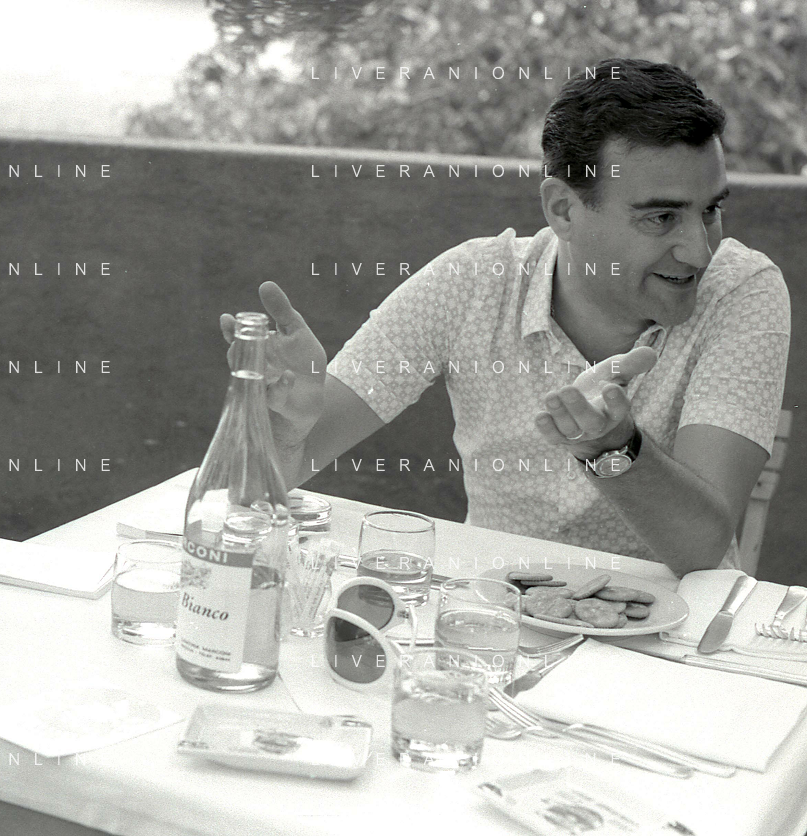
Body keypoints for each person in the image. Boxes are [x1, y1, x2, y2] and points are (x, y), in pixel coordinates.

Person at [223, 58, 790, 577]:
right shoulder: (472, 283)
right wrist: (284, 429)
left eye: (711, 210)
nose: (699, 250)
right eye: (662, 218)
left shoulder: (740, 289)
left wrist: (613, 448)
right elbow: (257, 486)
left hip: (677, 636)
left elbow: (703, 548)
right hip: (491, 620)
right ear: (563, 209)